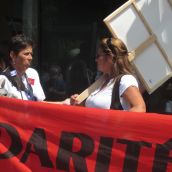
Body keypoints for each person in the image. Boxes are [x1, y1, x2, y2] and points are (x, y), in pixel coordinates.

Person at [70, 37, 146, 112]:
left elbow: (140, 108)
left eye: (98, 56)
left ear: (110, 57)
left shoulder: (125, 80)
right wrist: (79, 104)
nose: (96, 60)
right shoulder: (101, 81)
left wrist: (116, 122)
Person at [0, 34, 45, 101]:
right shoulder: (3, 79)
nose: (30, 58)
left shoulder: (33, 73)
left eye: (31, 54)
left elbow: (41, 103)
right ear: (13, 55)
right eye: (26, 54)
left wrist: (61, 103)